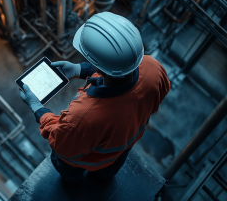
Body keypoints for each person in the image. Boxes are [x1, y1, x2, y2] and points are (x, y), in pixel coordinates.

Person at [19, 12, 171, 184]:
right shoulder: (154, 68)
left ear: (99, 65)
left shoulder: (83, 117)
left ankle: (73, 185)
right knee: (104, 180)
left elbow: (61, 143)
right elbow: (118, 75)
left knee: (70, 176)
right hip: (120, 152)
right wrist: (79, 70)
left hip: (78, 163)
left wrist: (37, 107)